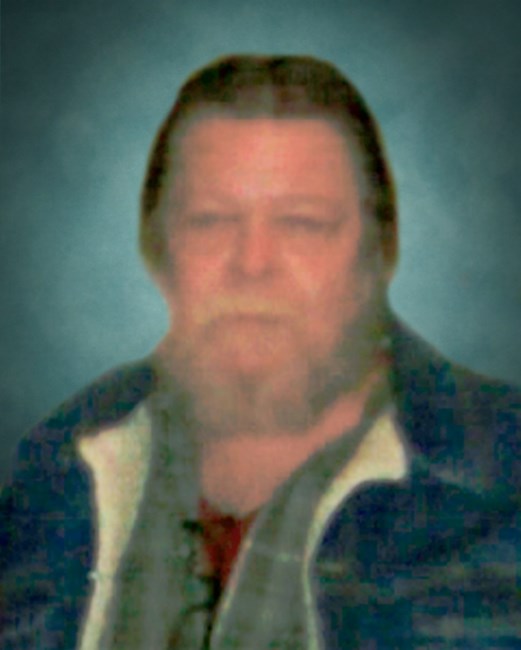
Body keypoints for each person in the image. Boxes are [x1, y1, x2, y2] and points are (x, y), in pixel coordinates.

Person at [1, 54, 520, 650]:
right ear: (157, 248)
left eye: (302, 224)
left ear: (379, 252)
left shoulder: (502, 486)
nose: (252, 264)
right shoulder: (57, 473)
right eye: (210, 221)